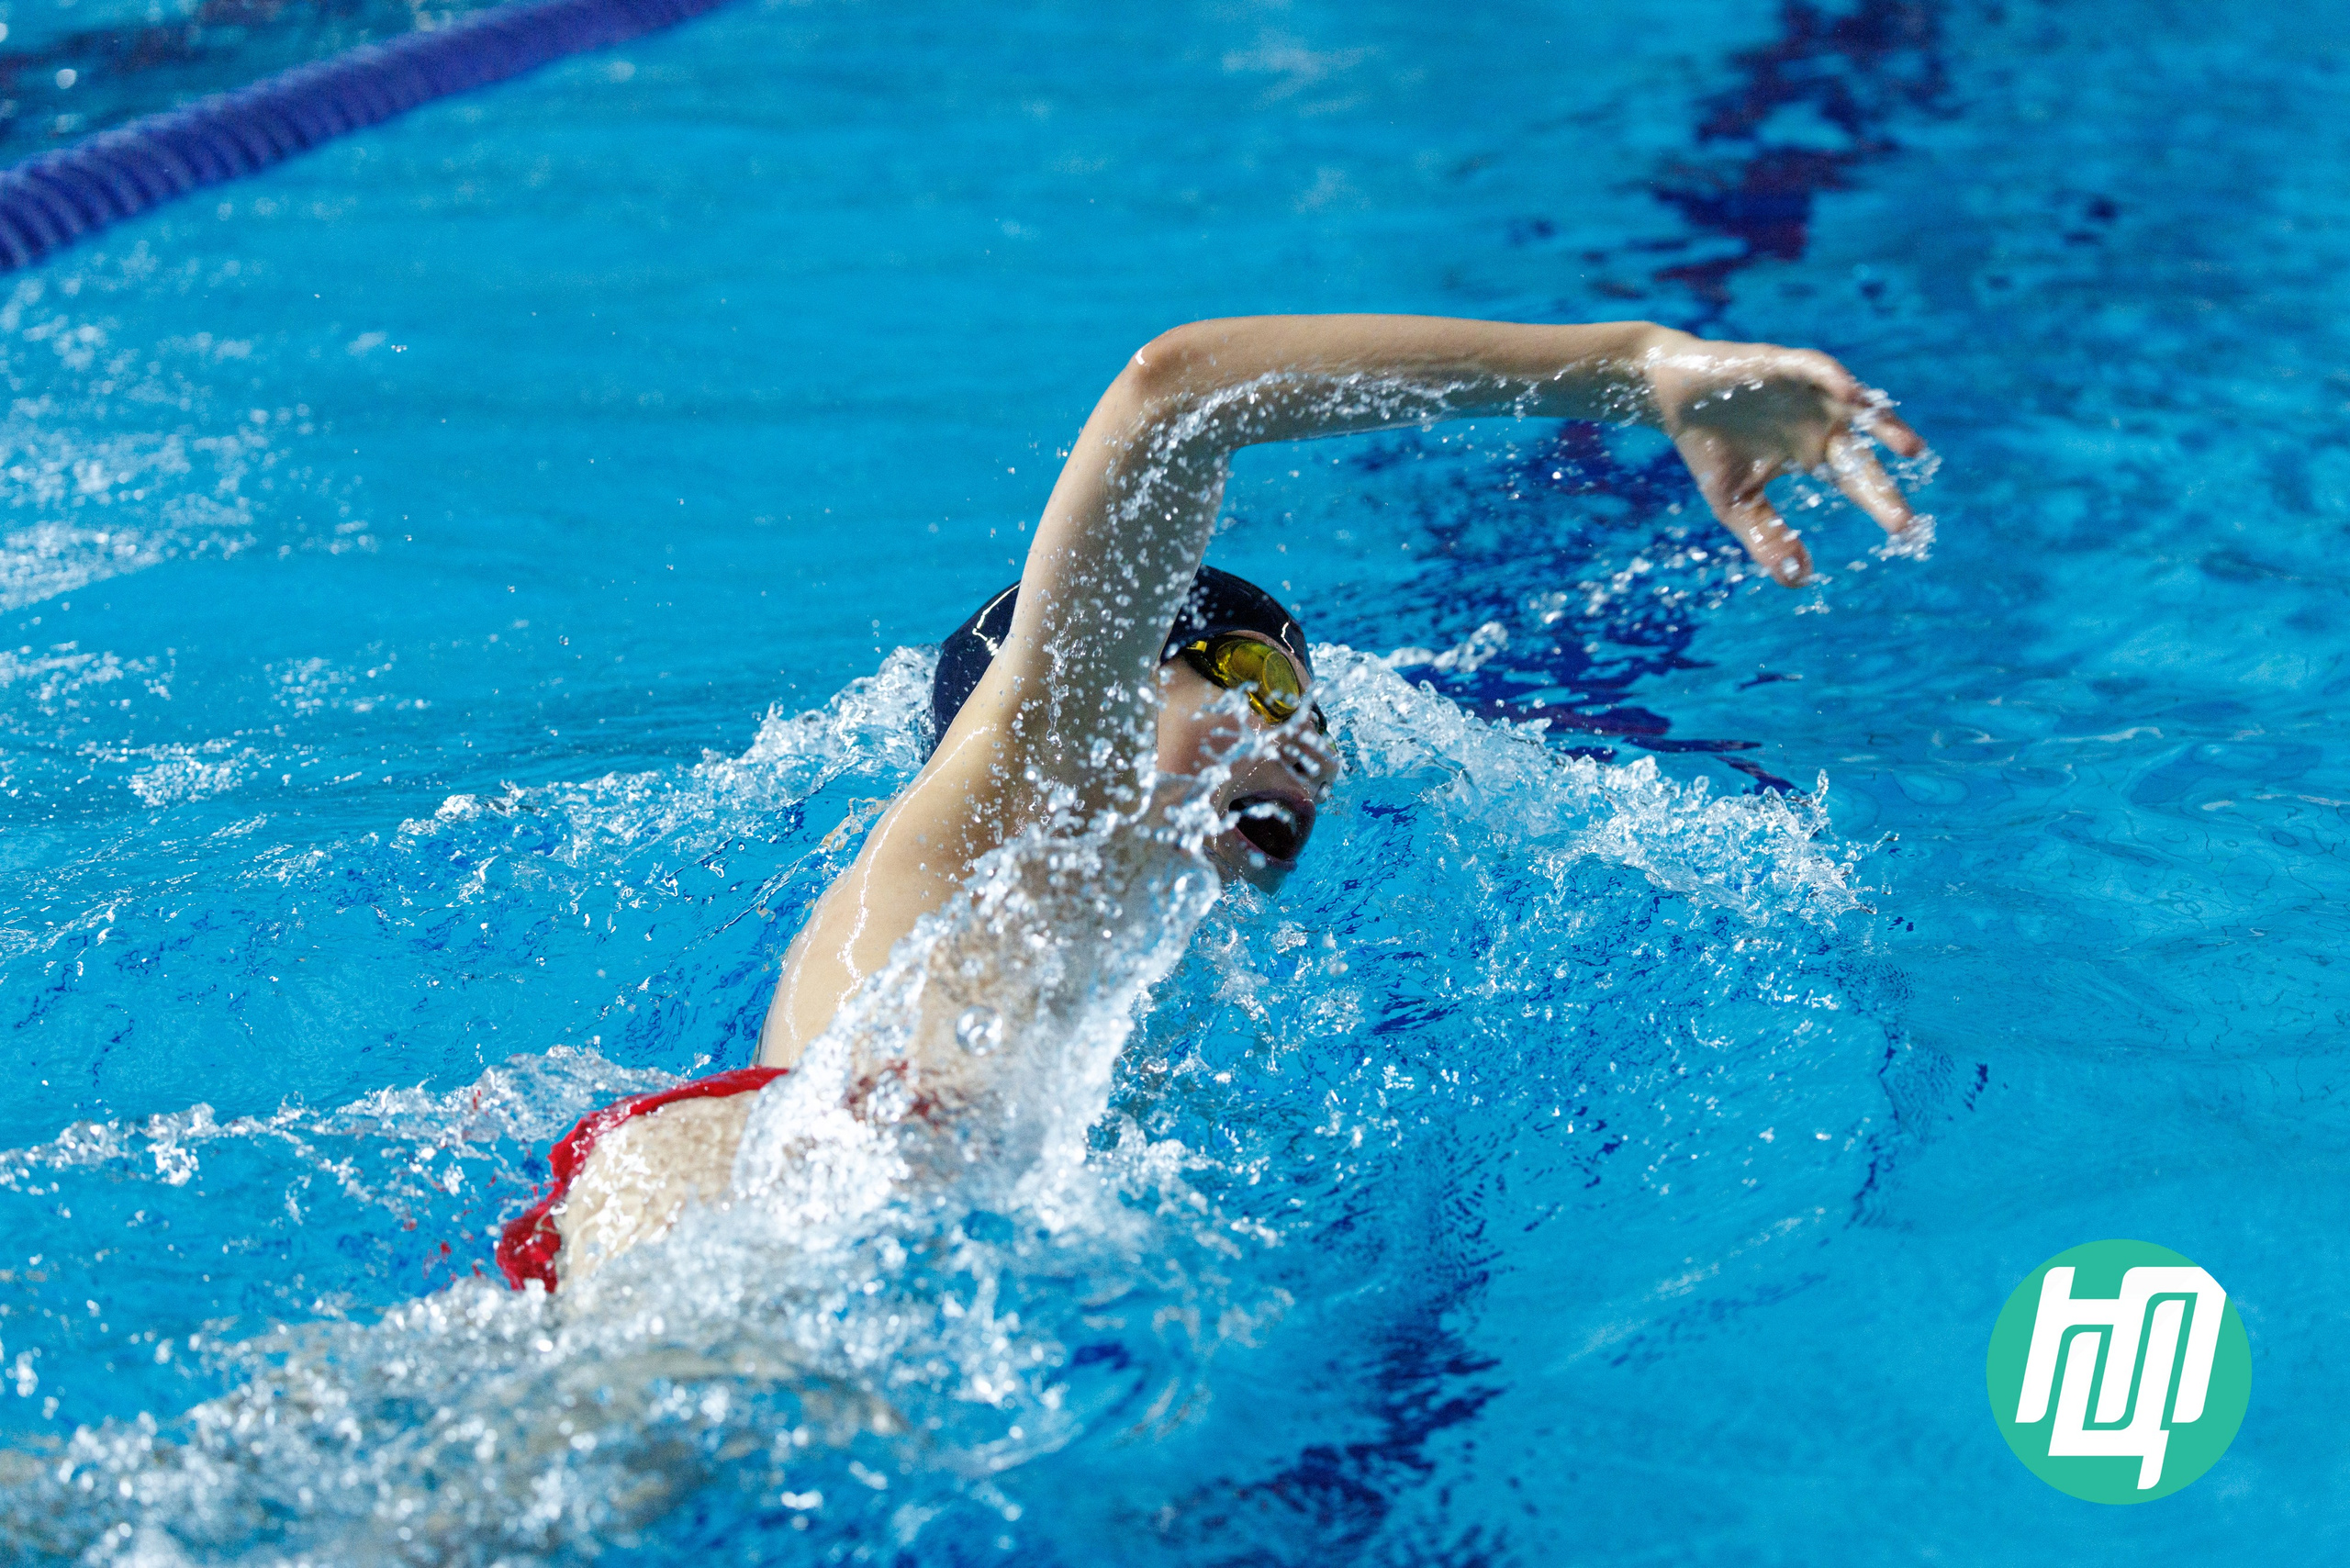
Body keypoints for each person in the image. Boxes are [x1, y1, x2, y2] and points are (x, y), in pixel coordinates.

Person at [496, 314, 1926, 1292]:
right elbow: (1175, 395)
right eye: (1241, 664)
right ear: (1103, 676)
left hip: (832, 1215)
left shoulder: (1129, 957)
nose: (1284, 719)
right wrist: (1637, 368)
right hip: (771, 1180)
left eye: (1303, 697)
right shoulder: (1026, 779)